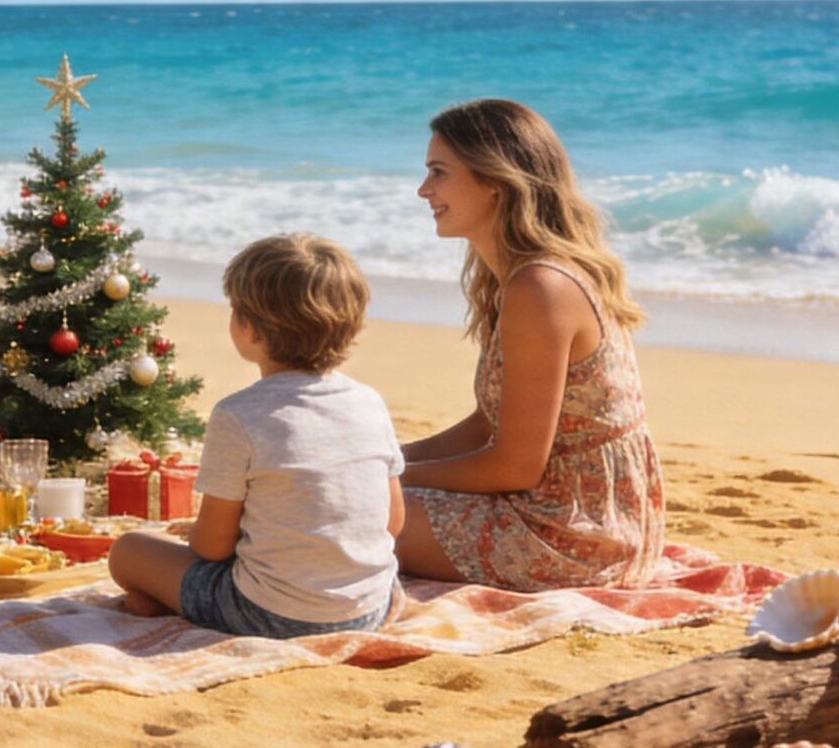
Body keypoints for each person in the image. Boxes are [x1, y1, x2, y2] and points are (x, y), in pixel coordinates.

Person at [397, 98, 664, 591]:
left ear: (494, 182)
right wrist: (394, 456)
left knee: (328, 509)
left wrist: (391, 479)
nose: (423, 190)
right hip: (580, 519)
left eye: (438, 172)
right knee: (334, 496)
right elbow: (490, 424)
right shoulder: (523, 277)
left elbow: (515, 465)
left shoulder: (540, 288)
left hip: (570, 536)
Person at [110, 234, 405, 638]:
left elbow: (211, 548)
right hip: (369, 607)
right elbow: (393, 522)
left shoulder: (239, 415)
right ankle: (164, 598)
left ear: (249, 328)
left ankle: (165, 599)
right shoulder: (369, 402)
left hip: (270, 614)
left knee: (129, 551)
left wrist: (199, 534)